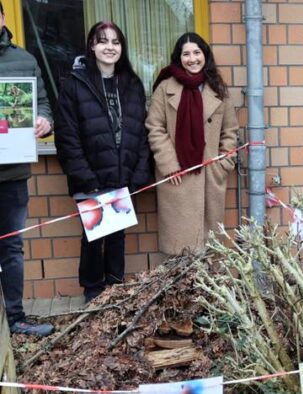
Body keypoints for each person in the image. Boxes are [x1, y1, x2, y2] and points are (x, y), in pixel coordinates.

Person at [55, 21, 151, 302]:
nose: (110, 47)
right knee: (94, 236)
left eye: (116, 42)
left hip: (123, 175)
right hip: (91, 176)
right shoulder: (75, 84)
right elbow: (67, 137)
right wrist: (85, 176)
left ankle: (115, 289)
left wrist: (138, 174)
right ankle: (93, 292)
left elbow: (141, 133)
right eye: (103, 41)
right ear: (92, 46)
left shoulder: (132, 84)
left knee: (117, 235)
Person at [146, 32, 238, 255]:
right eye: (186, 54)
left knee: (209, 248)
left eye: (197, 52)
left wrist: (222, 165)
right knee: (180, 249)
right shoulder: (164, 87)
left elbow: (230, 131)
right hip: (177, 177)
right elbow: (154, 127)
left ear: (205, 55)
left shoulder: (218, 89)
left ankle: (207, 288)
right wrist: (169, 165)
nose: (192, 58)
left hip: (210, 176)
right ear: (179, 58)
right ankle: (181, 287)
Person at [0, 1, 54, 336]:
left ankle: (16, 318)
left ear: (3, 17)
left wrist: (44, 121)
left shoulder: (25, 60)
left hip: (12, 175)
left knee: (11, 248)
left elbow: (44, 103)